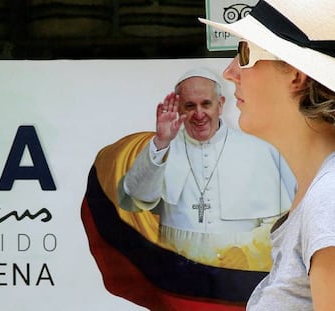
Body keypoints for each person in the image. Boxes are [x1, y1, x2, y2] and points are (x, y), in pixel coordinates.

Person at [199, 0, 335, 309]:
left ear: (296, 75)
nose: (230, 71)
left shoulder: (328, 198)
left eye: (245, 52)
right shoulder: (320, 194)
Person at [117, 68, 295, 271]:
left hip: (239, 272)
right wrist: (161, 141)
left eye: (206, 104)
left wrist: (247, 253)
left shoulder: (258, 150)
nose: (199, 114)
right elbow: (137, 198)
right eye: (190, 106)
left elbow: (281, 223)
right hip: (178, 269)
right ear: (179, 109)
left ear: (220, 105)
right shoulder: (164, 148)